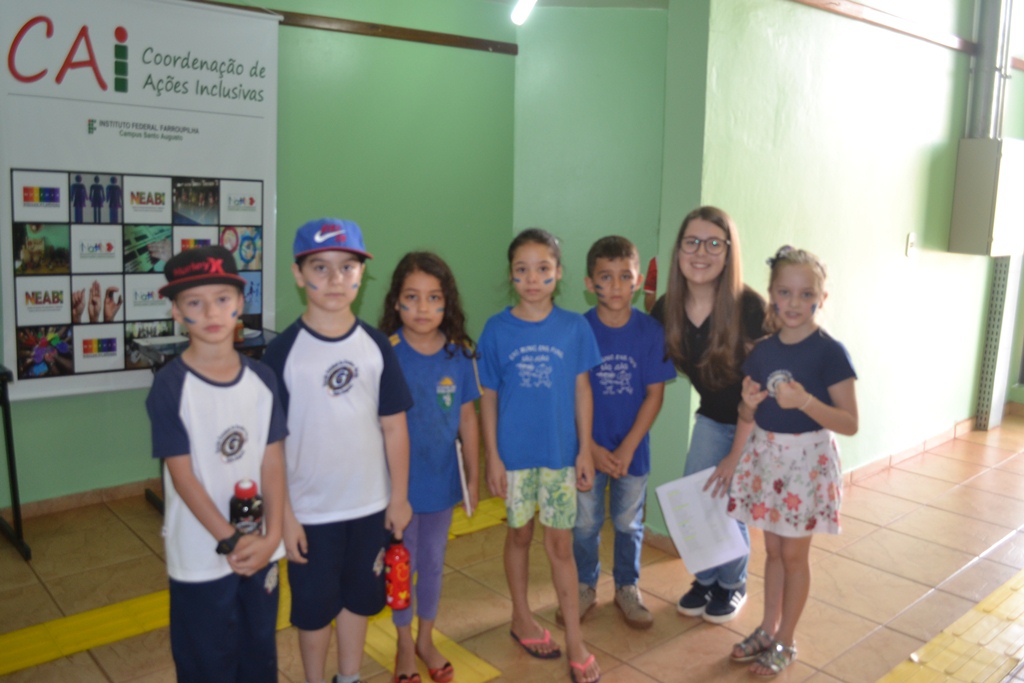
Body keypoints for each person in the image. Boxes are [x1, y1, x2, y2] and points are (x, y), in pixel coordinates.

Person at [261, 218, 414, 683]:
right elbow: (271, 446)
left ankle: (348, 677)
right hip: (309, 513)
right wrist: (284, 517)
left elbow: (394, 427)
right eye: (320, 267)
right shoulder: (283, 353)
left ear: (361, 274)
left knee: (360, 601)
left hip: (369, 507)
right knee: (312, 610)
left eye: (347, 267)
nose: (335, 279)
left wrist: (399, 498)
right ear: (298, 274)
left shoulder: (376, 345)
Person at [144, 245, 287, 682]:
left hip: (260, 546)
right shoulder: (170, 387)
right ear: (176, 311)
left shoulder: (263, 379)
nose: (211, 312)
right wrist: (229, 540)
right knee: (206, 660)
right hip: (201, 554)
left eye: (222, 299)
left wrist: (272, 536)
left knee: (258, 650)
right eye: (194, 302)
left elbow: (273, 461)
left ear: (240, 302)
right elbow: (182, 475)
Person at [718, 245, 858, 676]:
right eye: (785, 292)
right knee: (774, 552)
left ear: (821, 298)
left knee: (795, 557)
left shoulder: (830, 353)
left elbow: (849, 422)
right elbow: (749, 414)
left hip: (806, 466)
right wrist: (737, 440)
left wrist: (806, 402)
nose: (794, 303)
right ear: (772, 296)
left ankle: (786, 639)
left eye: (806, 294)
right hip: (768, 461)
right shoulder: (763, 353)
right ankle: (767, 628)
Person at [478, 228, 603, 683]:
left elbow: (582, 390)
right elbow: (488, 396)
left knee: (560, 546)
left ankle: (575, 640)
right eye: (522, 269)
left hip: (559, 456)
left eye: (543, 268)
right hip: (513, 458)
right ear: (511, 274)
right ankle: (521, 617)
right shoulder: (496, 329)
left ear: (559, 273)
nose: (532, 279)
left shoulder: (574, 328)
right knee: (518, 535)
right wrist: (492, 457)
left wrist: (584, 449)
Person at [651, 206, 766, 623]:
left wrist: (734, 455)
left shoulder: (749, 307)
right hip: (714, 417)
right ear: (679, 250)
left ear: (729, 252)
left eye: (714, 243)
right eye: (692, 242)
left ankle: (733, 584)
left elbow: (763, 393)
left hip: (758, 423)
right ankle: (707, 579)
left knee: (727, 501)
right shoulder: (667, 309)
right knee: (699, 497)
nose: (701, 252)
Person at [378, 251, 481, 683]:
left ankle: (425, 638)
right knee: (403, 566)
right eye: (412, 297)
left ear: (447, 302)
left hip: (441, 483)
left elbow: (468, 418)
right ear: (396, 302)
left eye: (434, 297)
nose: (423, 308)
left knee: (434, 562)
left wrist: (474, 475)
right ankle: (403, 643)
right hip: (396, 488)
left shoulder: (460, 355)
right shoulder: (385, 352)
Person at [564, 236, 675, 630]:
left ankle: (627, 586)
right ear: (589, 283)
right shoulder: (577, 330)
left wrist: (628, 447)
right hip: (586, 451)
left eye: (624, 276)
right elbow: (568, 394)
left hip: (633, 452)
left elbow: (654, 395)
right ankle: (584, 585)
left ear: (638, 281)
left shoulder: (650, 332)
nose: (615, 286)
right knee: (585, 523)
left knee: (629, 524)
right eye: (605, 277)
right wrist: (589, 447)